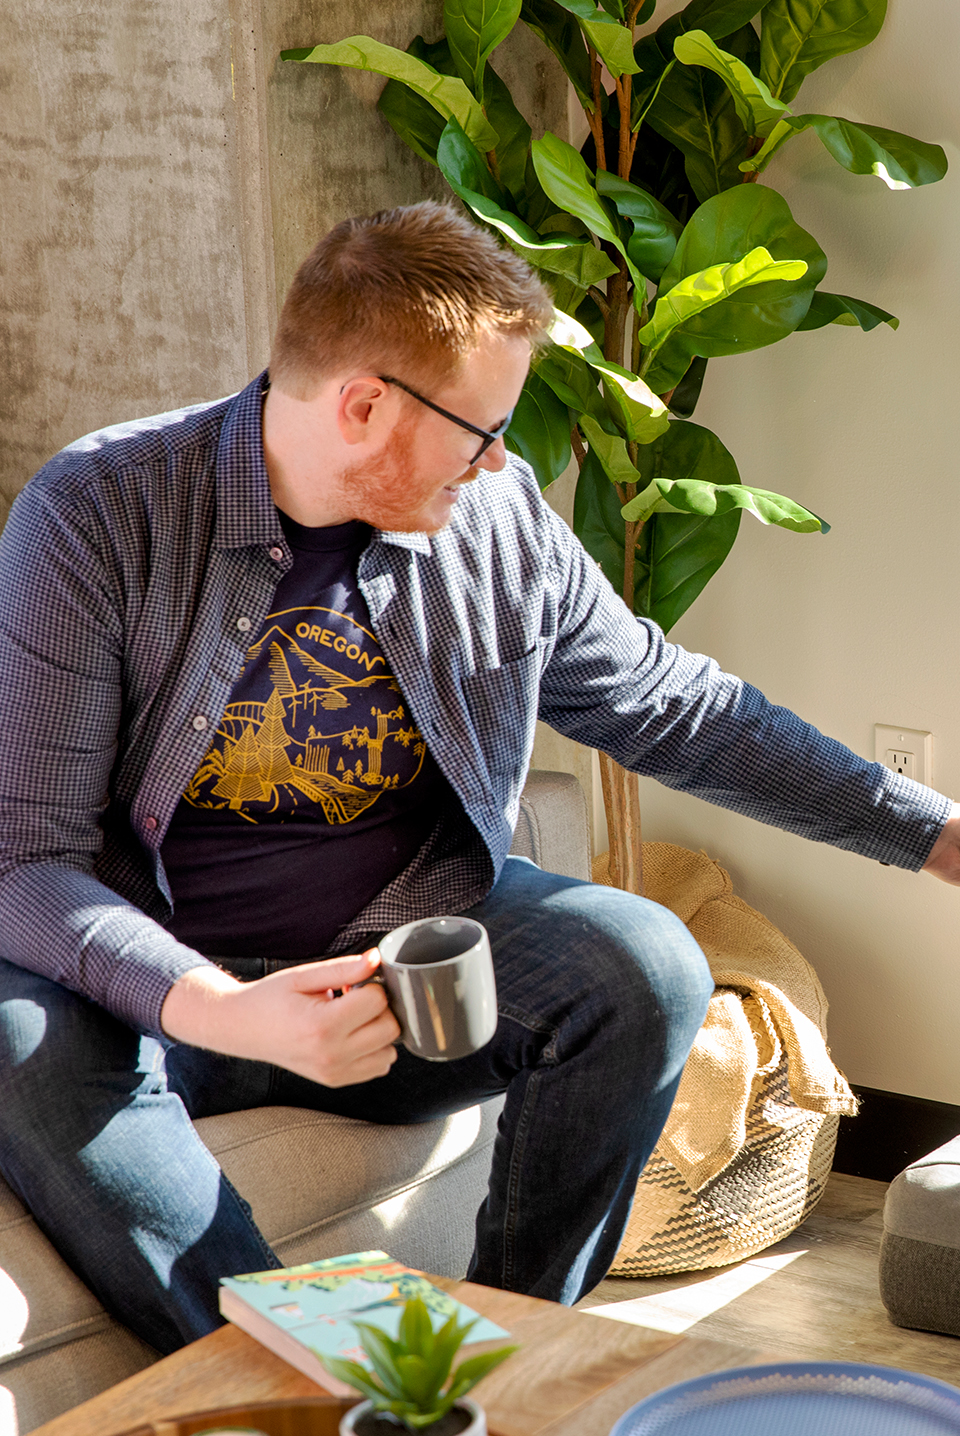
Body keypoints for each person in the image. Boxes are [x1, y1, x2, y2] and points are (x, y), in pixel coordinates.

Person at [1, 202, 958, 1358]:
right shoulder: (100, 512)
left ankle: (512, 1351)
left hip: (393, 972)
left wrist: (937, 835)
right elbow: (27, 856)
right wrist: (221, 1008)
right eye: (483, 428)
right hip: (162, 999)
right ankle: (361, 1377)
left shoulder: (496, 526)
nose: (502, 459)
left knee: (645, 963)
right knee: (13, 1039)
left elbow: (677, 708)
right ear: (365, 405)